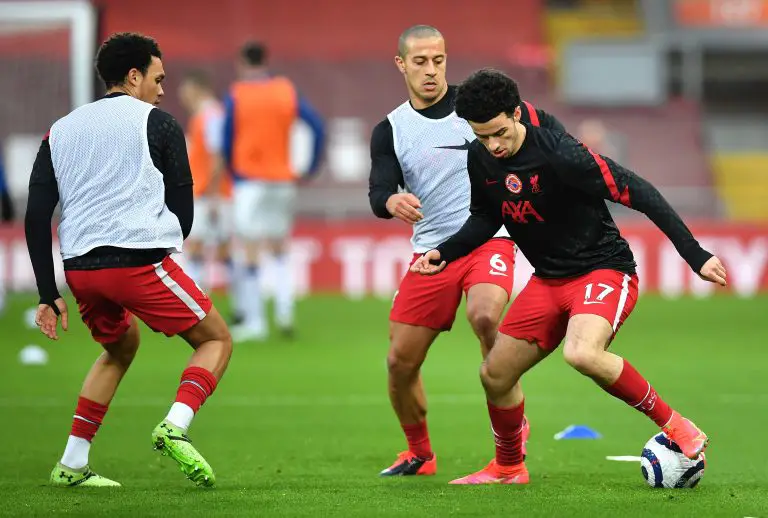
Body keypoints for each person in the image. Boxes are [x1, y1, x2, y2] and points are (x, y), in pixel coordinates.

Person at [411, 68, 726, 484]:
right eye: (482, 136)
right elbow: (485, 217)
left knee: (582, 353)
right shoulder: (480, 156)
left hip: (604, 269)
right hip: (548, 281)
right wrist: (444, 252)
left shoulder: (561, 154)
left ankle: (678, 427)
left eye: (500, 133)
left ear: (517, 114)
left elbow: (640, 192)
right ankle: (508, 468)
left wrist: (695, 255)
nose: (493, 145)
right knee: (494, 375)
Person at [25, 32, 232, 488]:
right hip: (137, 263)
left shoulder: (60, 130)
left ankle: (72, 463)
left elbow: (37, 214)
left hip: (80, 269)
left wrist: (47, 292)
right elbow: (184, 205)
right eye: (158, 78)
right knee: (216, 340)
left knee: (120, 347)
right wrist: (166, 240)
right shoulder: (157, 123)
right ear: (134, 76)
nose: (162, 89)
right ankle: (175, 425)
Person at [369, 25, 566, 477]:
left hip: (490, 237)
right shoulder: (391, 130)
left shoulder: (475, 106)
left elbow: (545, 130)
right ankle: (419, 453)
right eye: (420, 62)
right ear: (401, 64)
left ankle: (509, 405)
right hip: (434, 252)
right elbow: (378, 188)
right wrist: (390, 201)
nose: (431, 70)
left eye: (438, 60)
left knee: (484, 315)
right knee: (400, 362)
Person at [223, 41, 325, 342]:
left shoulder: (237, 93)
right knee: (280, 247)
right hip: (283, 178)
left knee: (251, 248)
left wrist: (234, 169)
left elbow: (228, 138)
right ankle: (285, 312)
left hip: (250, 179)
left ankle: (255, 322)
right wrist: (310, 166)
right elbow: (317, 126)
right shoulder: (285, 89)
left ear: (242, 62)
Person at [178, 70, 233, 294]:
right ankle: (202, 301)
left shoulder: (211, 116)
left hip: (210, 194)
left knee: (207, 247)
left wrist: (213, 195)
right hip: (205, 192)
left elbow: (217, 157)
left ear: (197, 90)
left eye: (187, 94)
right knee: (215, 248)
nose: (184, 100)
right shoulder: (203, 116)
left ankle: (198, 301)